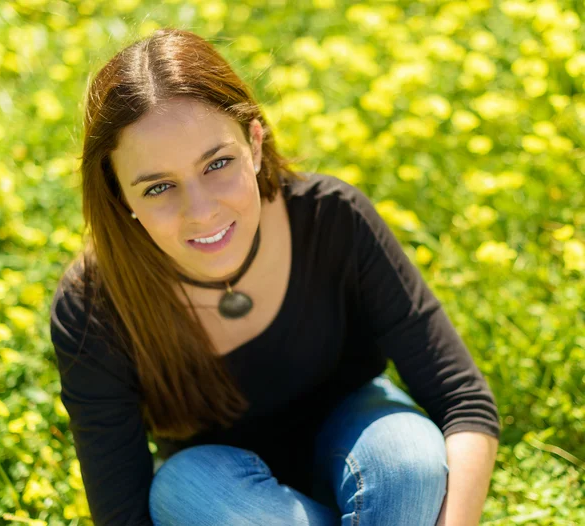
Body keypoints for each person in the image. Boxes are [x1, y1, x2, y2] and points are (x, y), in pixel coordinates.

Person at [49, 28, 500, 526]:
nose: (201, 212)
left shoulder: (333, 218)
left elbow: (464, 402)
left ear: (255, 144)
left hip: (367, 448)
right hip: (229, 502)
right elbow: (123, 517)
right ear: (119, 197)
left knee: (408, 459)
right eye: (158, 187)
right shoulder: (92, 307)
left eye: (217, 163)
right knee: (186, 490)